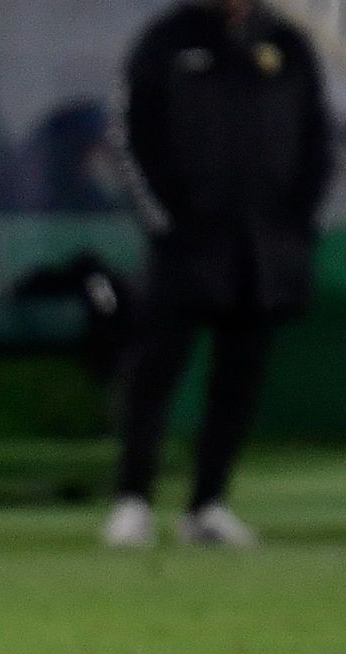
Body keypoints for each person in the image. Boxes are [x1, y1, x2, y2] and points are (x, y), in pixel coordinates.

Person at [105, 0, 333, 548]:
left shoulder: (287, 44)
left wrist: (299, 227)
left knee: (238, 380)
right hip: (185, 244)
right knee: (155, 374)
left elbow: (319, 139)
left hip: (263, 248)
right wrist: (165, 221)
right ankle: (133, 501)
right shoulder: (167, 40)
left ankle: (208, 504)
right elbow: (130, 135)